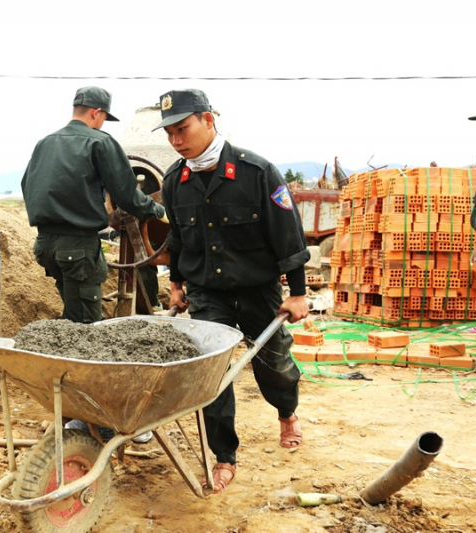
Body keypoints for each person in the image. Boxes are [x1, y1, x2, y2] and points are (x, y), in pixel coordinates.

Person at [155, 89, 310, 493]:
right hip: (208, 293)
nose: (176, 140)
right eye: (169, 132)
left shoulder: (256, 172)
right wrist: (175, 284)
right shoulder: (175, 180)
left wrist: (297, 292)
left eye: (182, 129)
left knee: (273, 363)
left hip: (258, 289)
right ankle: (223, 456)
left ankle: (287, 411)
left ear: (208, 120)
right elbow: (178, 237)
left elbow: (287, 233)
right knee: (212, 375)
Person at [21, 86, 167, 324]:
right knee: (86, 324)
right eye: (104, 119)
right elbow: (127, 196)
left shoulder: (45, 143)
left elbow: (28, 184)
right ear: (96, 113)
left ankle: (62, 354)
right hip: (78, 250)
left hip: (45, 246)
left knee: (73, 312)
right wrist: (157, 211)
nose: (102, 124)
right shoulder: (100, 142)